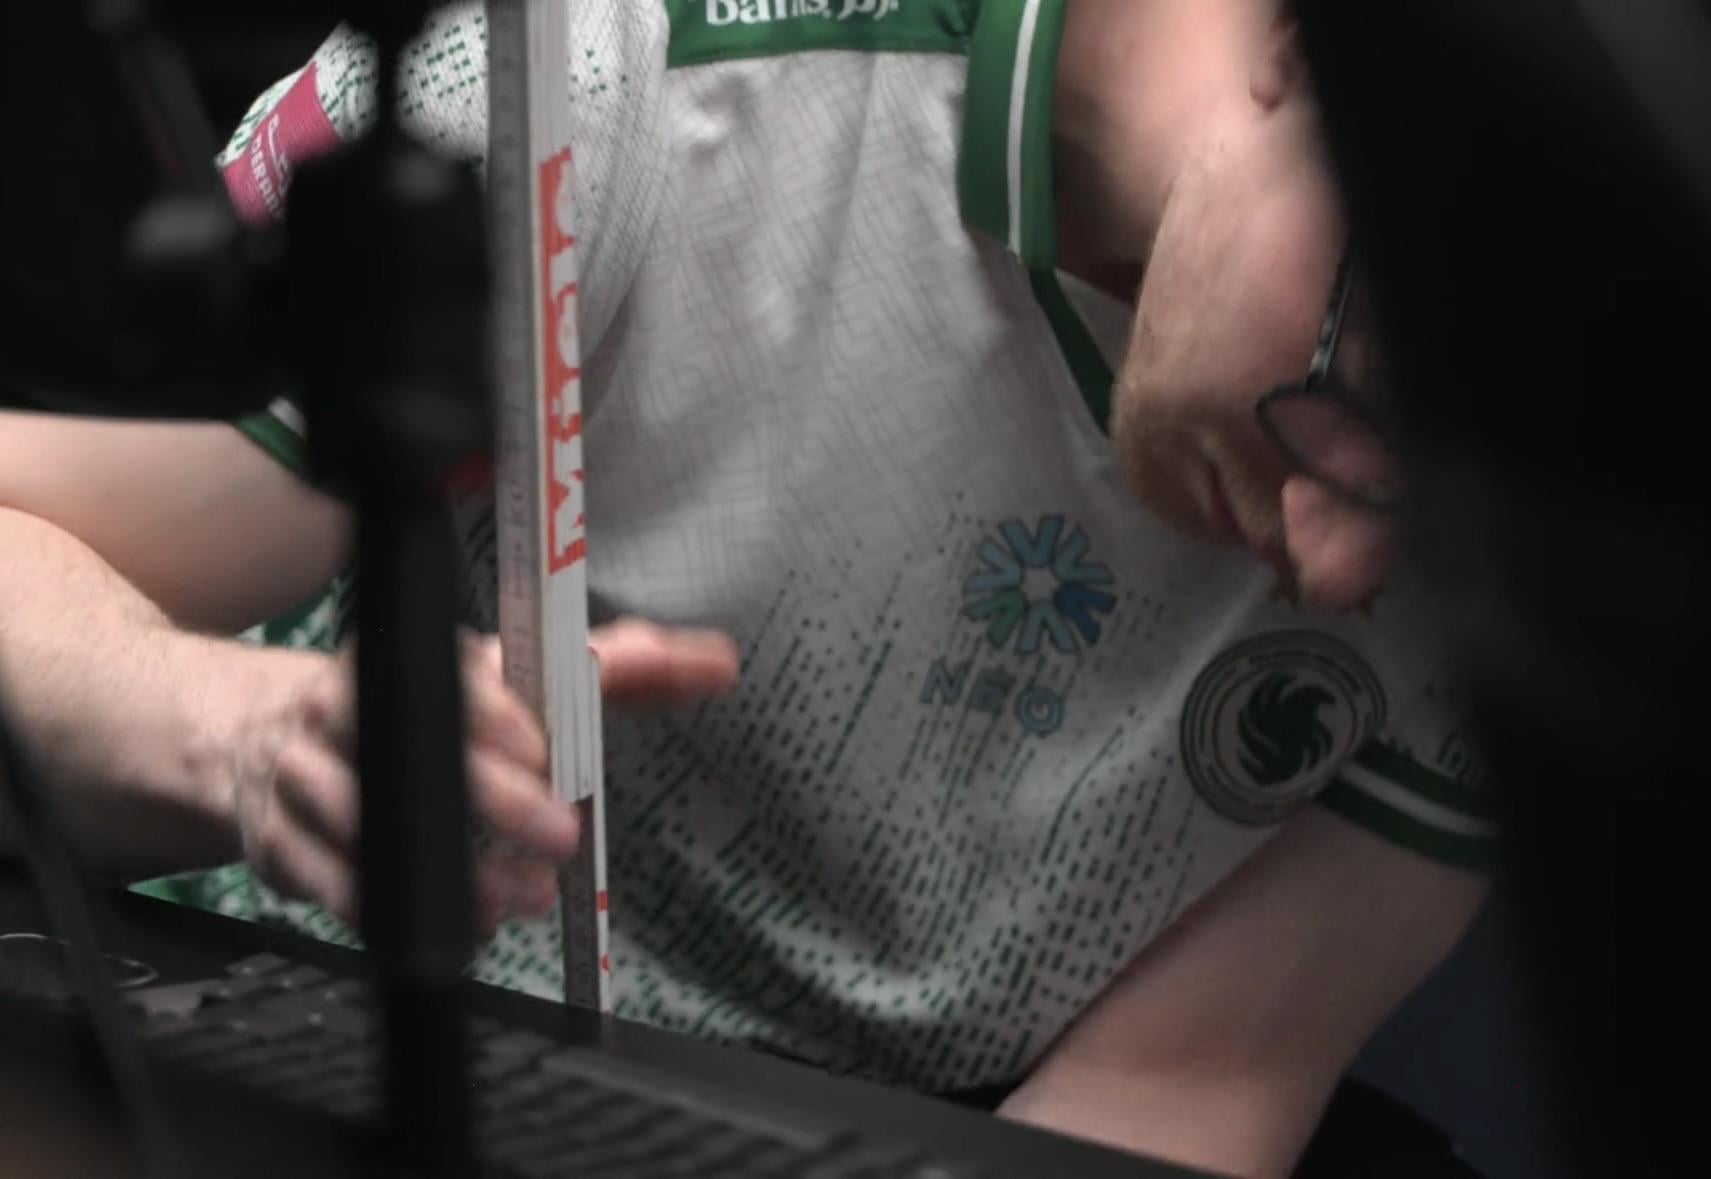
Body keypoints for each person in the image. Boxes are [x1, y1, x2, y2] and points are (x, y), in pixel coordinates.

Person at [0, 1, 1495, 1174]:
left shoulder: (1563, 522)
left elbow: (1176, 1088)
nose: (1342, 564)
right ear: (1316, 53)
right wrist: (250, 735)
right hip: (312, 1039)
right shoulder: (609, 66)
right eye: (1358, 388)